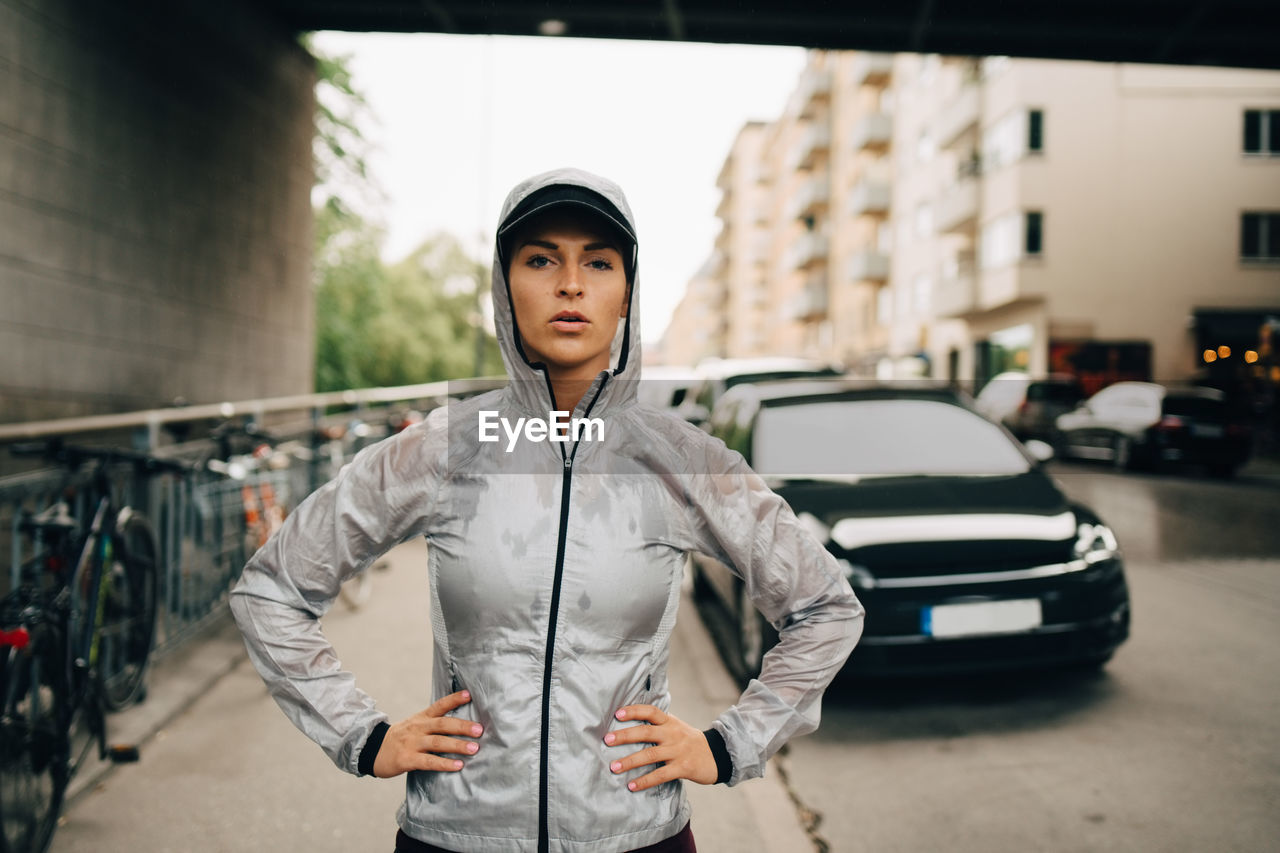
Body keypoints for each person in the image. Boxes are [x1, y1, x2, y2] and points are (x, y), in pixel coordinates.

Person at [230, 168, 864, 853]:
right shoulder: (442, 449)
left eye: (598, 260)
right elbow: (272, 588)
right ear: (506, 289)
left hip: (635, 837)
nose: (571, 283)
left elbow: (826, 606)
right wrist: (364, 735)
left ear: (628, 293)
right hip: (456, 835)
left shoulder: (682, 459)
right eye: (540, 259)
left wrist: (729, 743)